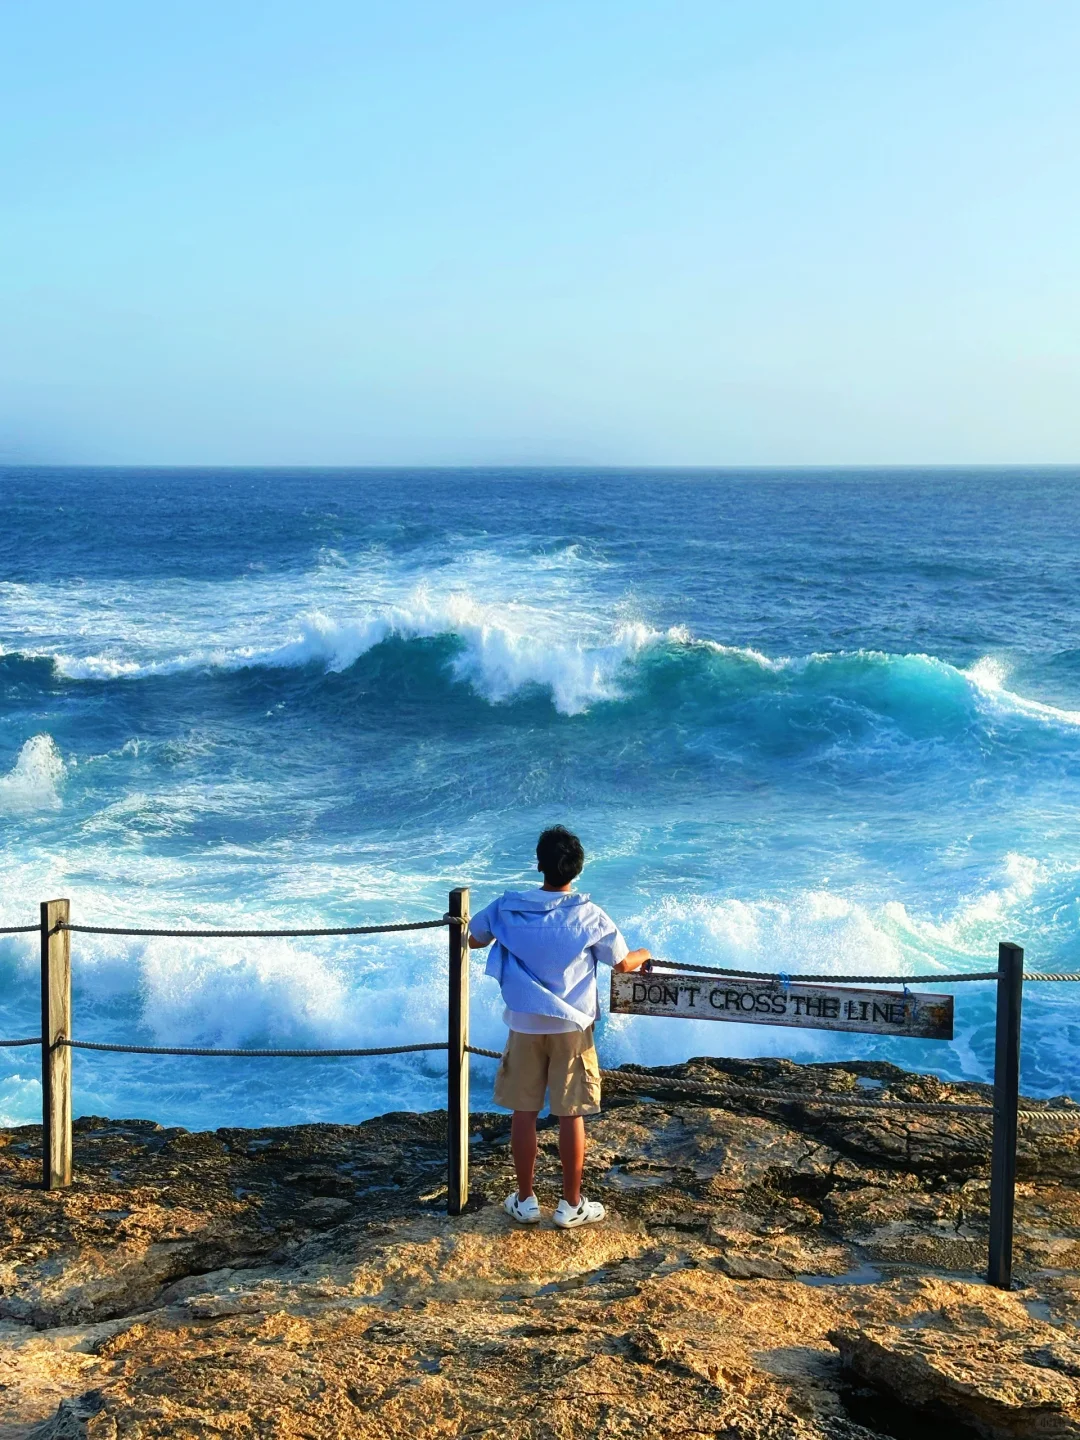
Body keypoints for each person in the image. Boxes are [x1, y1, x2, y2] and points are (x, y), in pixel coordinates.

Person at [468, 825, 652, 1229]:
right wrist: (644, 953)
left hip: (524, 1023)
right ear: (578, 869)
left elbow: (473, 938)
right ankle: (570, 1205)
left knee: (524, 1111)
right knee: (571, 1114)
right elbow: (622, 963)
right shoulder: (589, 915)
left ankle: (525, 1199)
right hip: (571, 1026)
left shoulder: (507, 908)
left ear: (539, 865)